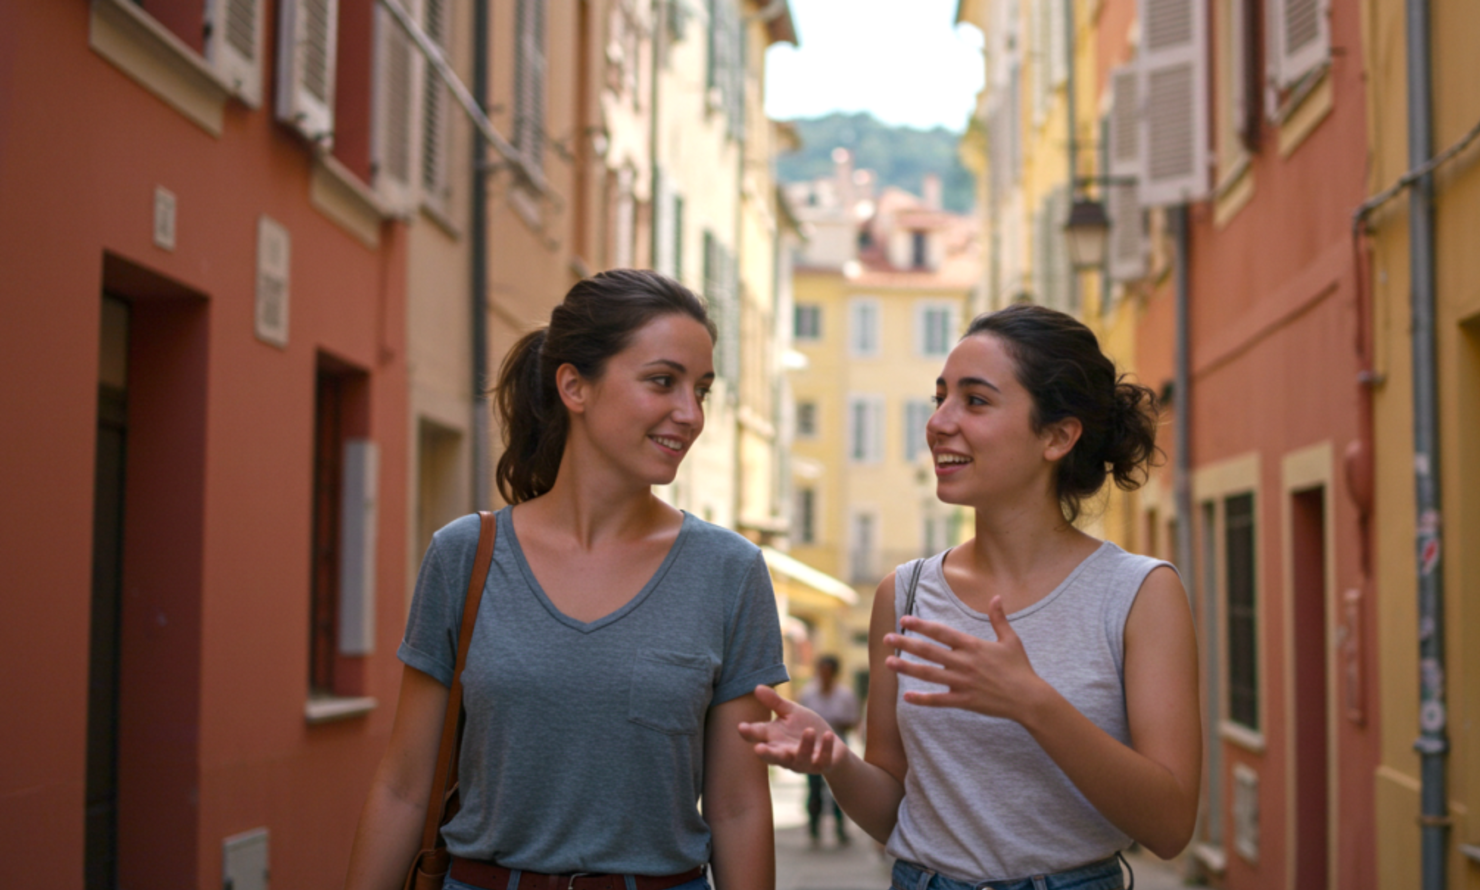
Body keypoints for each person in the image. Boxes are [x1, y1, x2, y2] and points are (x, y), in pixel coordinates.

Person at [344, 269, 789, 890]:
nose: (689, 414)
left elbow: (738, 808)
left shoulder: (729, 571)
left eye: (702, 390)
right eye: (663, 381)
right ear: (574, 387)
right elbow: (402, 786)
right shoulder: (465, 556)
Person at [738, 304, 1201, 890]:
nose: (938, 423)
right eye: (940, 399)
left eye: (975, 401)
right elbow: (892, 813)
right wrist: (835, 760)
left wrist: (1031, 702)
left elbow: (1170, 824)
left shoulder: (1138, 593)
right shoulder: (903, 594)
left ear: (1057, 436)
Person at [796, 655, 858, 846]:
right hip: (813, 746)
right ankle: (814, 827)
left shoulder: (845, 695)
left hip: (837, 746)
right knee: (814, 789)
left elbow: (853, 721)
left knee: (839, 790)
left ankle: (840, 828)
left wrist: (836, 724)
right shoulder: (808, 693)